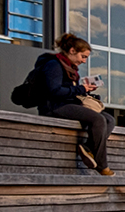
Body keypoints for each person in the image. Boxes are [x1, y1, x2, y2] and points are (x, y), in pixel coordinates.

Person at [38, 33, 115, 176]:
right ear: (72, 51)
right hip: (54, 106)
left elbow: (68, 89)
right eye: (83, 57)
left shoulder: (70, 68)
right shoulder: (53, 65)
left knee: (110, 120)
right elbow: (54, 91)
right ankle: (102, 166)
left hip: (69, 104)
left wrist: (84, 90)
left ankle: (88, 147)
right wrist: (81, 89)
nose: (84, 61)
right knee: (98, 119)